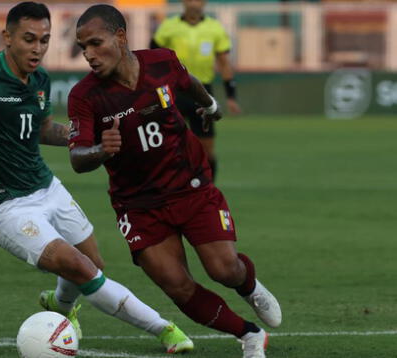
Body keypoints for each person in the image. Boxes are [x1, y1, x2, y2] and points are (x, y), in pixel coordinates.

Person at [0, 2, 194, 354]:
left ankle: (59, 307)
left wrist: (90, 137)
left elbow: (41, 130)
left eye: (44, 40)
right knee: (81, 268)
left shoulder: (39, 79)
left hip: (46, 187)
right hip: (5, 206)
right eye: (28, 39)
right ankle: (166, 330)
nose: (37, 48)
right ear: (7, 37)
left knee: (93, 262)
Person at [69, 5, 281, 358]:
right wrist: (100, 151)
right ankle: (249, 334)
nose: (89, 55)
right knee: (176, 285)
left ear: (120, 37)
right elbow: (77, 159)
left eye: (95, 43)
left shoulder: (162, 62)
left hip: (189, 186)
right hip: (137, 205)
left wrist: (210, 105)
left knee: (224, 269)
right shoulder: (84, 96)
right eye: (83, 48)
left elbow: (188, 83)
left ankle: (250, 287)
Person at [151, 0, 241, 180]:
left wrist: (231, 95)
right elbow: (152, 57)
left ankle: (209, 189)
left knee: (207, 150)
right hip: (173, 92)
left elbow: (224, 63)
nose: (194, 4)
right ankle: (166, 188)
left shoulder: (214, 28)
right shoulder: (169, 26)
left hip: (203, 93)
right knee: (167, 146)